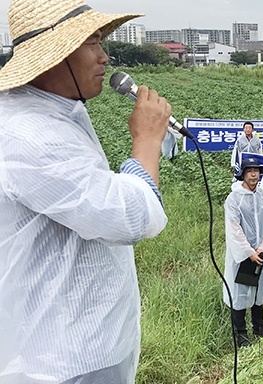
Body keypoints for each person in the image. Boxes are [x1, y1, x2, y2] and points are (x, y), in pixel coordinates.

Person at [0, 0, 171, 383]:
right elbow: (127, 218)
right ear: (55, 55)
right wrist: (147, 140)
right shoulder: (32, 134)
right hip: (65, 359)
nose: (105, 57)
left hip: (82, 342)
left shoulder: (53, 112)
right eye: (92, 43)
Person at [224, 157, 263, 347]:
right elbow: (234, 228)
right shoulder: (234, 199)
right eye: (249, 171)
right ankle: (241, 333)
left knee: (258, 289)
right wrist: (248, 251)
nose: (254, 174)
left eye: (256, 170)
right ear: (243, 174)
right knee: (239, 291)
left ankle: (259, 326)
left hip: (261, 250)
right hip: (242, 254)